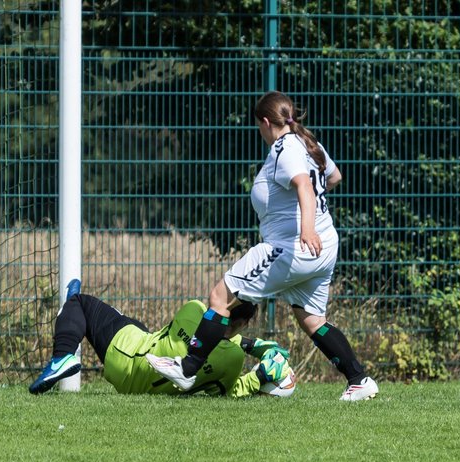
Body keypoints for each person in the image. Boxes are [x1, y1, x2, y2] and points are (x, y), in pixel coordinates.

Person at [143, 90, 378, 402]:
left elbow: (305, 186)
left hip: (292, 246)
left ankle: (187, 369)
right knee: (312, 320)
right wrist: (310, 217)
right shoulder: (310, 144)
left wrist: (306, 226)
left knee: (219, 296)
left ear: (266, 122)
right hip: (323, 247)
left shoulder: (286, 148)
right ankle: (359, 379)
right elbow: (333, 177)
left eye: (259, 126)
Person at [29, 282, 293, 398]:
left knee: (80, 302)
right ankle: (70, 322)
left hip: (125, 354)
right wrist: (258, 377)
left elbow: (207, 329)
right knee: (137, 325)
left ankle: (64, 353)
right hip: (143, 385)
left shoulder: (192, 310)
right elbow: (227, 389)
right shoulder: (232, 360)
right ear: (244, 323)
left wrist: (248, 343)